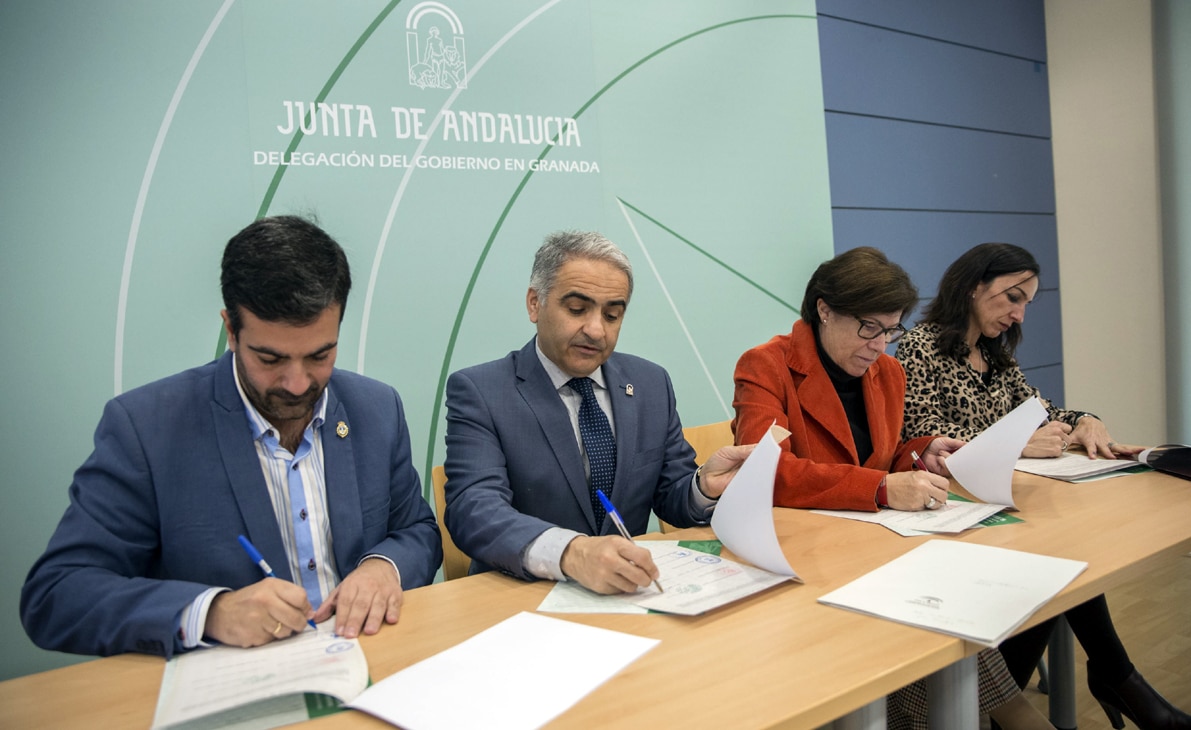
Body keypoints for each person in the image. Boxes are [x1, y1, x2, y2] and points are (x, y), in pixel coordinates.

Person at [20, 216, 442, 658]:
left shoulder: (375, 408)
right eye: (270, 358)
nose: (297, 383)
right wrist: (212, 611)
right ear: (230, 329)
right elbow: (57, 594)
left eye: (320, 355)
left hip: (370, 660)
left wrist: (383, 567)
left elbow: (415, 528)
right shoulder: (147, 428)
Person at [733, 247, 1050, 730]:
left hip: (874, 551)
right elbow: (768, 473)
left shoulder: (888, 372)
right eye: (869, 328)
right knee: (935, 626)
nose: (880, 344)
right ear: (824, 309)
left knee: (948, 614)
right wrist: (881, 487)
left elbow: (885, 453)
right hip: (805, 562)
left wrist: (926, 453)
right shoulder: (766, 366)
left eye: (891, 329)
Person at [896, 242, 1189, 730]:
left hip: (1005, 512)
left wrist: (1086, 420)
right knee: (1059, 569)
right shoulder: (921, 346)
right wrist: (1016, 446)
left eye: (1027, 302)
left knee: (1061, 566)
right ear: (973, 287)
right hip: (952, 516)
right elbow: (920, 440)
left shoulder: (994, 356)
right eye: (1012, 298)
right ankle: (1114, 680)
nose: (1019, 314)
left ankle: (1066, 690)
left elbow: (1046, 411)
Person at [443, 230, 752, 594]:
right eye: (577, 309)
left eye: (612, 314)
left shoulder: (651, 383)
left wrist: (703, 487)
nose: (596, 329)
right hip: (525, 600)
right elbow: (474, 511)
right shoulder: (482, 391)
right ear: (534, 304)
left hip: (628, 595)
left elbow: (672, 496)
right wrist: (572, 553)